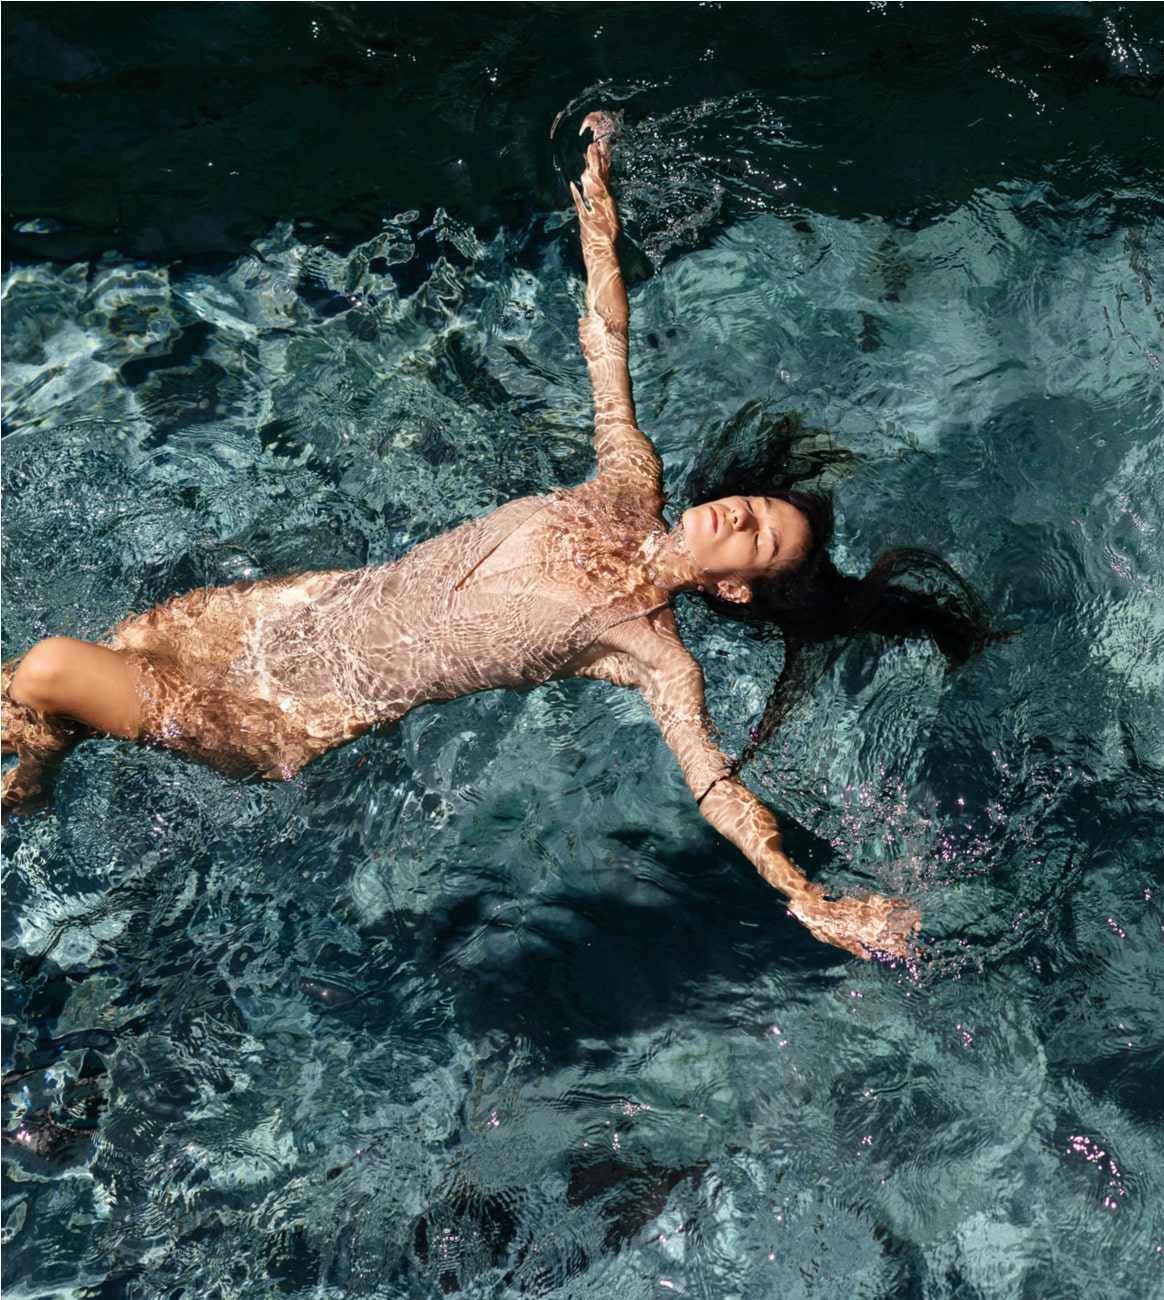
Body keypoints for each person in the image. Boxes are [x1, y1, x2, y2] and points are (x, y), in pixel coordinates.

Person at [1, 113, 996, 962]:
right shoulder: (627, 482)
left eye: (756, 540)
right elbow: (605, 347)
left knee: (47, 669)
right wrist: (601, 214)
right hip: (279, 613)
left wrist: (804, 894)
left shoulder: (649, 650)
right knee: (74, 678)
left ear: (738, 589)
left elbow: (716, 788)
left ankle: (31, 775)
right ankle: (34, 783)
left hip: (280, 712)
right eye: (752, 506)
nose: (737, 514)